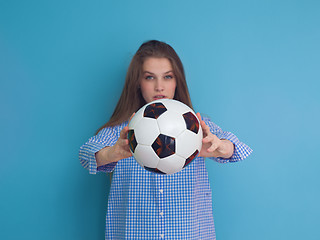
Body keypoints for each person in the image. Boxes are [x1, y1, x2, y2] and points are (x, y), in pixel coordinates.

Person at [79, 40, 252, 239]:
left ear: (177, 81)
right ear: (138, 82)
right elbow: (86, 155)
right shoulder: (122, 131)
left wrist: (221, 147)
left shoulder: (195, 125)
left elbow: (237, 149)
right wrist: (112, 153)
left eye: (167, 77)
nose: (159, 86)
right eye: (149, 77)